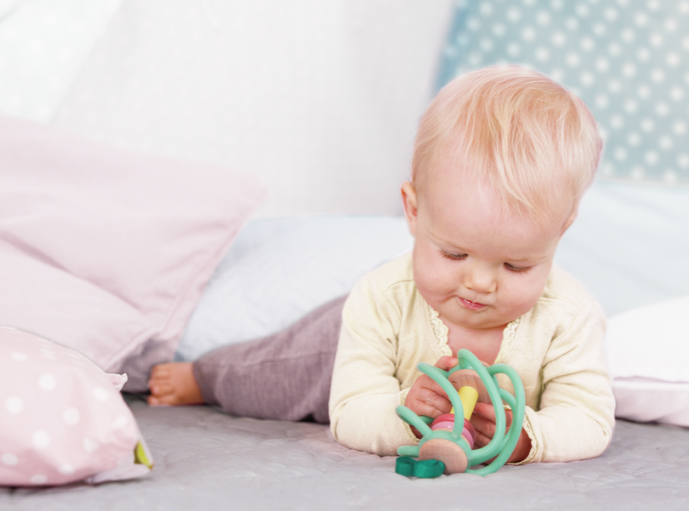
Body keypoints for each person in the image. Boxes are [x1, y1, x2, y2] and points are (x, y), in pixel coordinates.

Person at [148, 65, 615, 465]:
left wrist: (527, 437)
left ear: (561, 230)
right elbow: (350, 411)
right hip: (331, 347)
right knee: (275, 376)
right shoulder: (380, 298)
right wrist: (406, 417)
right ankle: (205, 376)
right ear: (414, 211)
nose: (479, 283)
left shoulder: (569, 316)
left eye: (515, 266)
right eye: (454, 254)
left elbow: (589, 420)